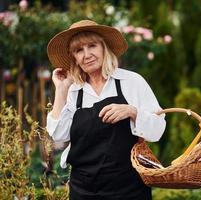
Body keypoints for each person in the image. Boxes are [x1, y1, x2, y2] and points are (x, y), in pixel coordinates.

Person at [46, 19, 166, 200]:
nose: (87, 55)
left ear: (104, 48)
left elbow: (157, 130)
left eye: (92, 46)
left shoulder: (131, 82)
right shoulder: (74, 92)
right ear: (74, 58)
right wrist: (61, 89)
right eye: (79, 50)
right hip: (84, 190)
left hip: (128, 189)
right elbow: (58, 135)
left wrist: (132, 111)